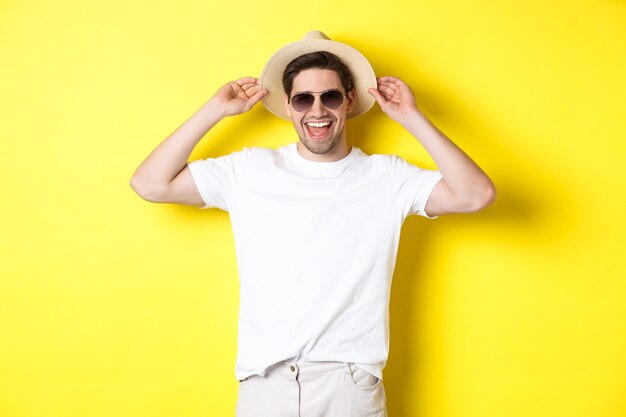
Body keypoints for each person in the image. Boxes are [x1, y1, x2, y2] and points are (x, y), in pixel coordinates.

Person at [130, 31, 495, 417]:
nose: (317, 111)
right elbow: (149, 183)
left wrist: (411, 117)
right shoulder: (249, 170)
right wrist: (214, 110)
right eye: (304, 98)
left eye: (331, 97)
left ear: (349, 101)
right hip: (265, 386)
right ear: (288, 105)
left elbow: (476, 194)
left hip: (350, 387)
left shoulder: (387, 177)